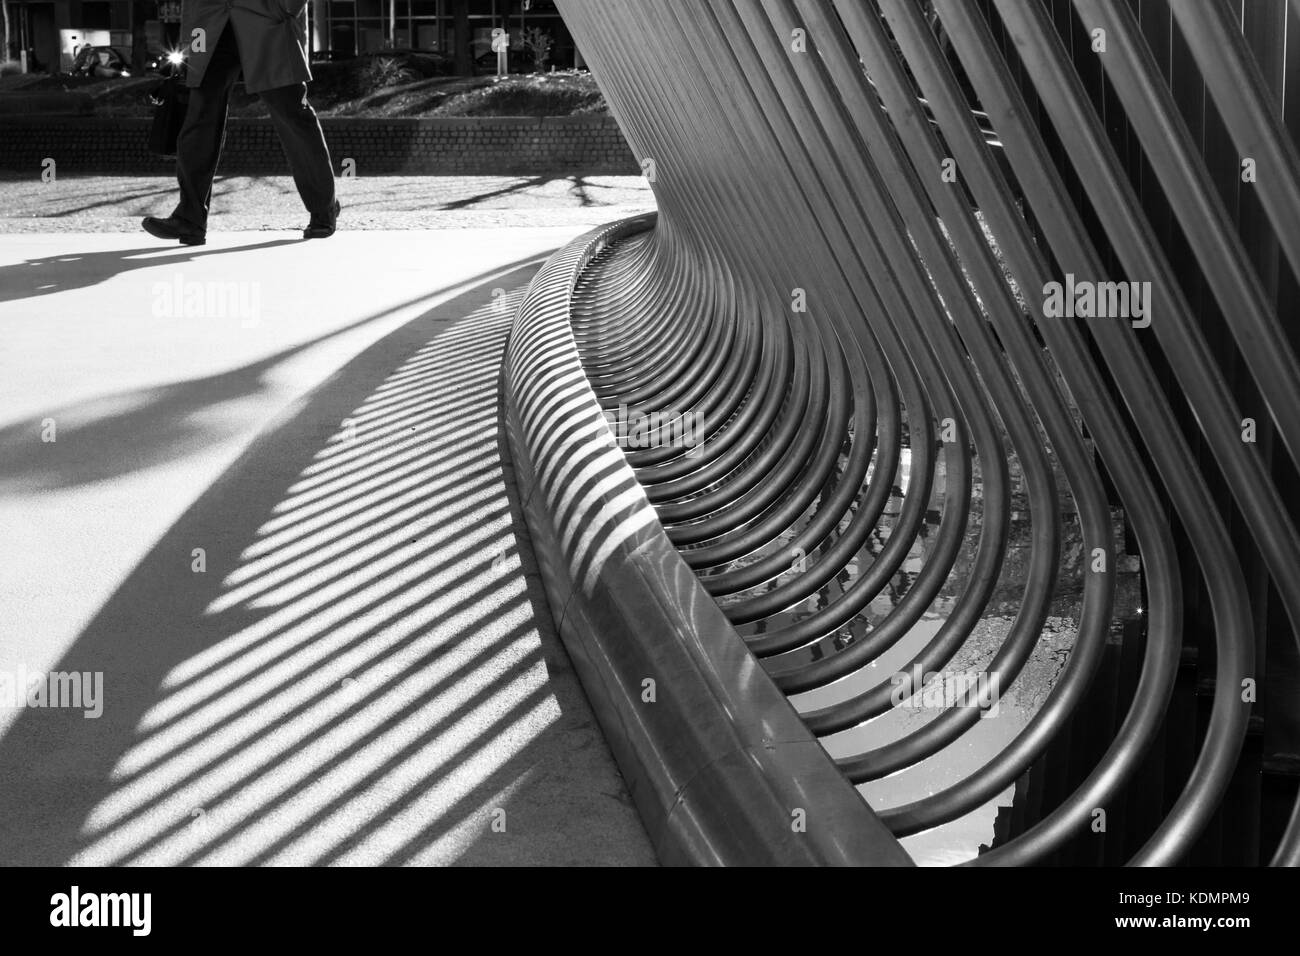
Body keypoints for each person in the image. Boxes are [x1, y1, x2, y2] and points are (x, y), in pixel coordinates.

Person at [142, 0, 339, 246]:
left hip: (267, 19)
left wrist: (285, 8)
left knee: (290, 112)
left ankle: (324, 208)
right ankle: (189, 218)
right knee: (199, 115)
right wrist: (191, 35)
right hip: (209, 21)